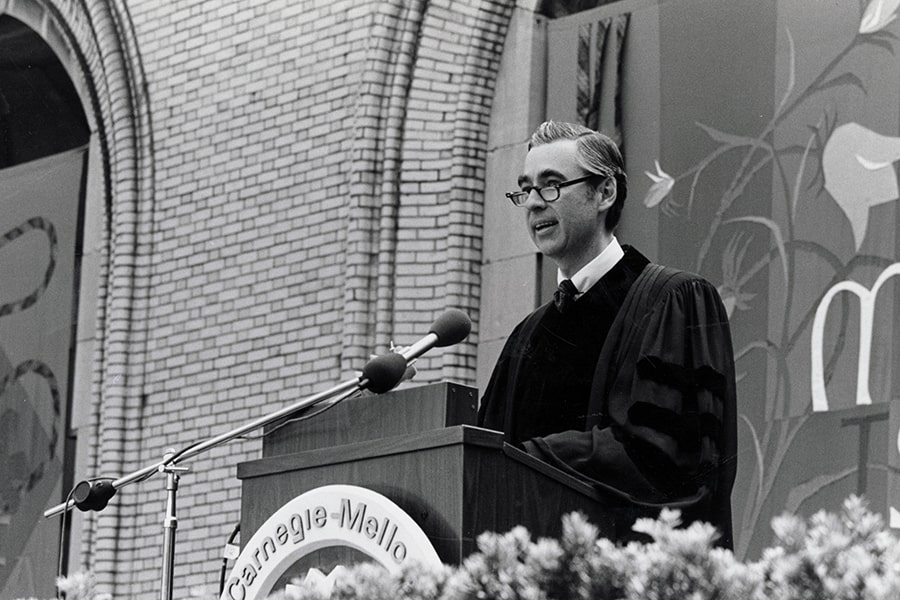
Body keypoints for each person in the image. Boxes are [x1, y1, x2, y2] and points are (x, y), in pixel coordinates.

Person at [477, 120, 737, 548]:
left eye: (552, 185)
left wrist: (529, 458)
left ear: (605, 193)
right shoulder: (528, 336)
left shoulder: (672, 300)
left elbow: (665, 461)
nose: (534, 204)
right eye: (526, 189)